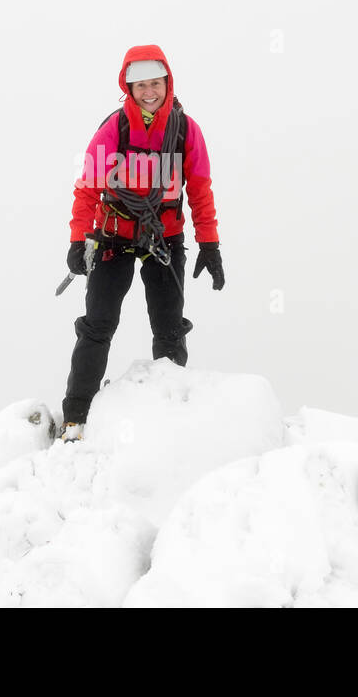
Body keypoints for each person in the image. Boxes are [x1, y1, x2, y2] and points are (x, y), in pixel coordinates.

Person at [59, 44, 225, 442]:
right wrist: (78, 239)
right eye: (140, 85)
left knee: (169, 329)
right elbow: (86, 190)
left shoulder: (186, 131)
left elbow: (200, 191)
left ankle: (168, 419)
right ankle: (75, 418)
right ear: (128, 88)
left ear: (167, 83)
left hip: (164, 240)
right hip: (113, 237)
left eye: (155, 83)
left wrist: (210, 245)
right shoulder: (113, 130)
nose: (149, 91)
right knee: (97, 327)